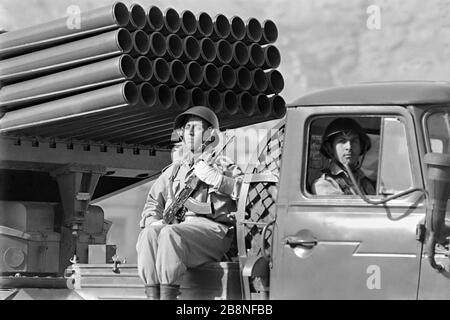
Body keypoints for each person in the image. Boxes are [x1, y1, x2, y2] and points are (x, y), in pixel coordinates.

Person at [136, 106, 243, 300]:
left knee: (170, 233)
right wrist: (153, 221)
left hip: (214, 231)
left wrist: (219, 180)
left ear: (210, 133)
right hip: (181, 230)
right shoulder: (175, 171)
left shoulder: (223, 165)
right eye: (186, 128)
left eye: (197, 127)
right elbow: (152, 202)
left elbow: (247, 193)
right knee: (149, 234)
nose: (191, 132)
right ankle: (153, 296)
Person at [312, 118, 375, 195]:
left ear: (361, 147)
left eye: (354, 141)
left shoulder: (365, 182)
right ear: (330, 148)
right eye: (342, 141)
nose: (349, 147)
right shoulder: (323, 184)